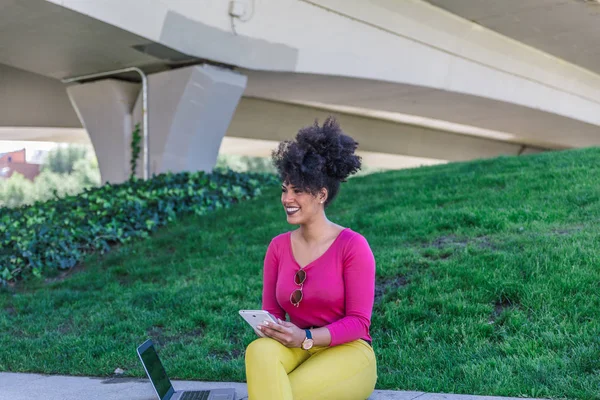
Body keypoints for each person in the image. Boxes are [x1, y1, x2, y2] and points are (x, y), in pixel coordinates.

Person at [244, 117, 377, 400]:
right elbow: (274, 314)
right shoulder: (278, 247)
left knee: (286, 393)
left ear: (321, 194)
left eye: (298, 191)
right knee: (258, 350)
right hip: (296, 347)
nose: (287, 198)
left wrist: (305, 337)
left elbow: (358, 323)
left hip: (348, 350)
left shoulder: (353, 246)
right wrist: (271, 328)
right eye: (285, 189)